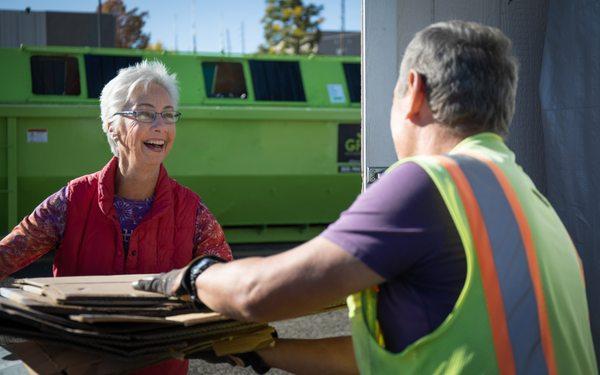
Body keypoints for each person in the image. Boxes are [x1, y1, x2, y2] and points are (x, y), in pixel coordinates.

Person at [139, 21, 598, 374]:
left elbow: (260, 294)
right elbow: (395, 355)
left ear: (413, 92)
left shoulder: (430, 182)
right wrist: (266, 353)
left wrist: (194, 276)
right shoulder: (528, 198)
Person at [0, 61, 232, 375]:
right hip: (76, 366)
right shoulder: (71, 201)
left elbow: (231, 285)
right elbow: (7, 255)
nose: (160, 125)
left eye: (167, 114)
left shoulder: (192, 213)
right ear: (112, 126)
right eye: (145, 113)